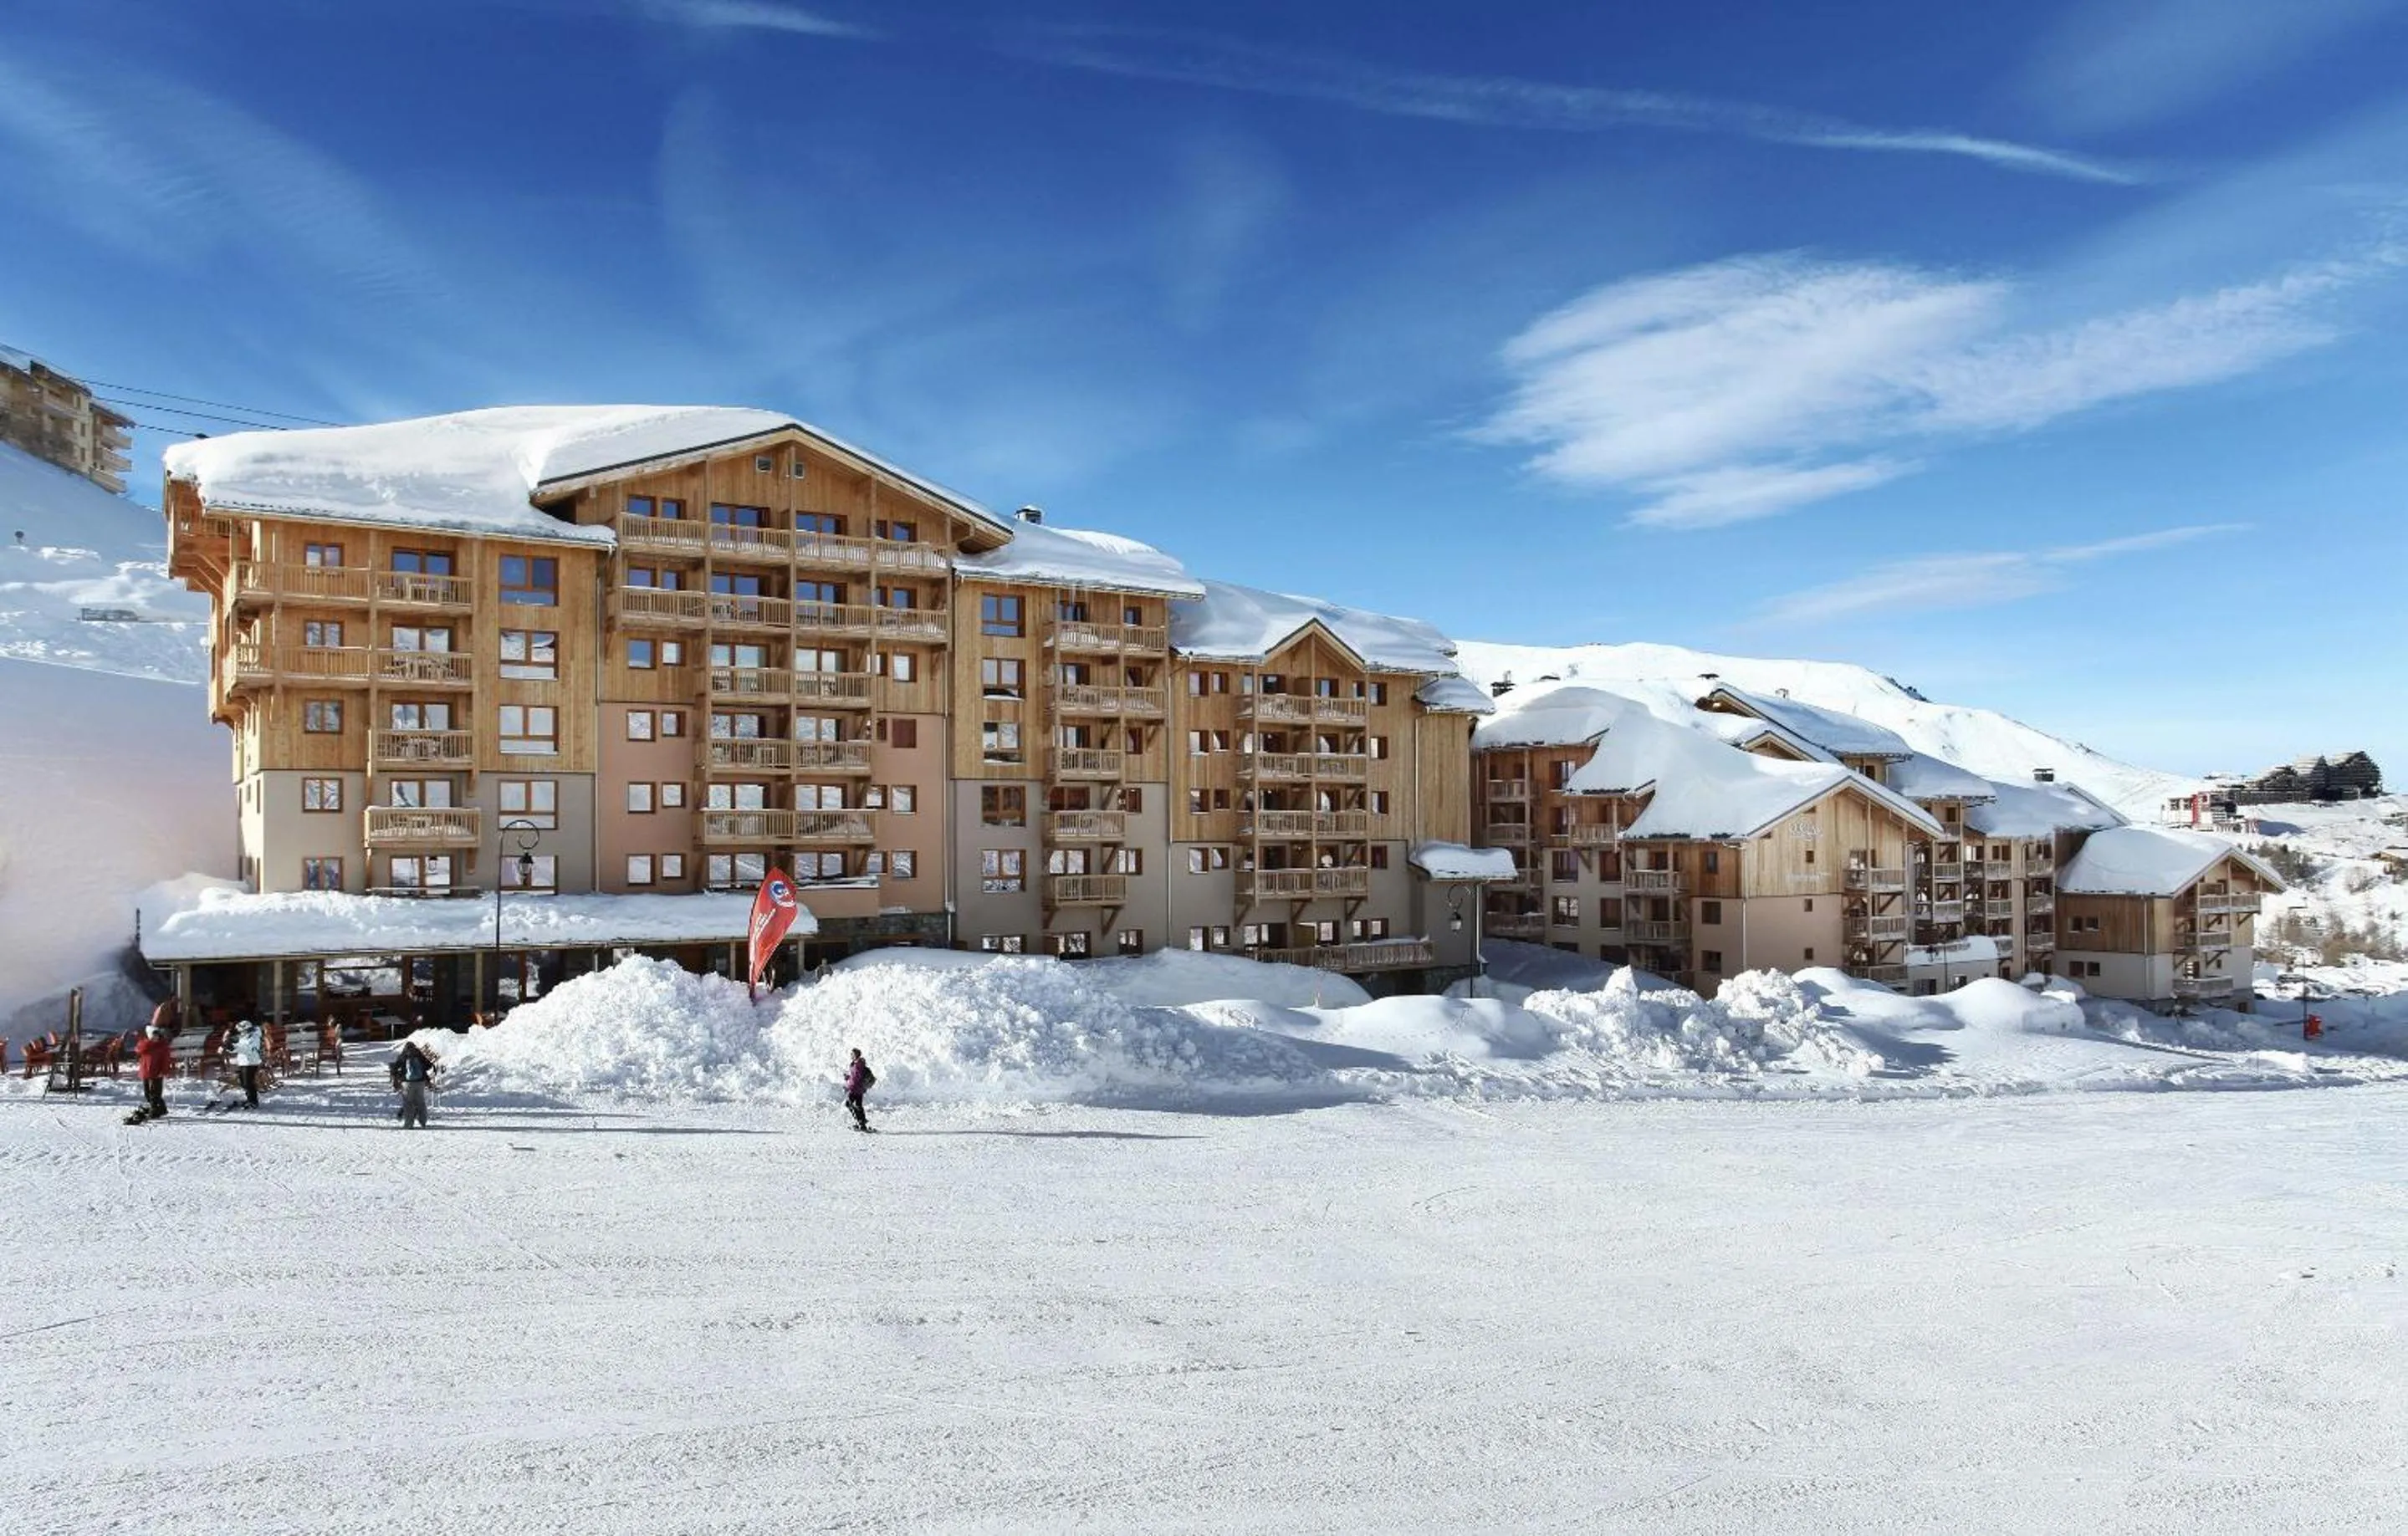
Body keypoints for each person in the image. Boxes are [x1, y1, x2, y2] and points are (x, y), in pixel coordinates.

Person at [391, 1039, 439, 1129]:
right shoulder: (419, 1055)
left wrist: (398, 1077)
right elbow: (429, 1066)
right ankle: (423, 1122)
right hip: (420, 1083)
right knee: (421, 1102)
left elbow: (394, 1068)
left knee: (408, 1103)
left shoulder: (403, 1055)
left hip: (407, 1083)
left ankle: (409, 1124)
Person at [132, 1024, 173, 1121]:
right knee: (148, 1093)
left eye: (157, 1036)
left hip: (157, 1072)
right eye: (153, 1036)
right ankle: (161, 1108)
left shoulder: (163, 1046)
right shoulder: (146, 1045)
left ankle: (155, 1110)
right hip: (146, 1071)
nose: (155, 1038)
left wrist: (164, 1071)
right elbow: (138, 1049)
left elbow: (166, 1060)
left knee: (155, 1093)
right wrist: (142, 1040)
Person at [229, 1018, 265, 1108]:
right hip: (243, 1061)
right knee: (243, 1081)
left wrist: (234, 1048)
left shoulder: (254, 1037)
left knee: (248, 1082)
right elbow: (241, 1046)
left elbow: (248, 1049)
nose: (240, 1033)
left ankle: (253, 1101)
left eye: (241, 1031)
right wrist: (230, 1046)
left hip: (251, 1062)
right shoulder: (245, 1036)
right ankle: (249, 1098)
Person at [843, 1048, 877, 1133]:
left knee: (849, 1104)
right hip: (859, 1088)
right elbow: (855, 1077)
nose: (850, 1055)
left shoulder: (858, 1065)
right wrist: (848, 1078)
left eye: (852, 1054)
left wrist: (848, 1083)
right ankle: (862, 1124)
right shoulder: (857, 1064)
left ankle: (860, 1123)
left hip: (855, 1088)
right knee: (858, 1105)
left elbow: (856, 1078)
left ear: (855, 1055)